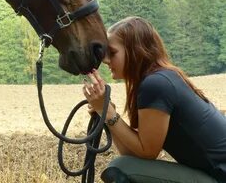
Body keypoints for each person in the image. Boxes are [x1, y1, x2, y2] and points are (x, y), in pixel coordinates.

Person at [83, 16, 226, 183]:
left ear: (136, 50)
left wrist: (108, 113)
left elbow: (147, 152)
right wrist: (105, 114)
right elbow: (133, 155)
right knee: (125, 165)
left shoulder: (155, 85)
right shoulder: (160, 78)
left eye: (112, 52)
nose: (106, 59)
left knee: (120, 167)